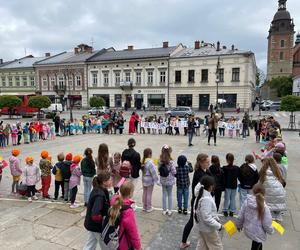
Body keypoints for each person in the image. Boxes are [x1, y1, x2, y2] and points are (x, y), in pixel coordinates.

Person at [180, 153, 211, 249]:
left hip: (199, 201)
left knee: (195, 222)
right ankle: (184, 242)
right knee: (195, 222)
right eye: (207, 162)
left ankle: (185, 242)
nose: (209, 163)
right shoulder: (200, 174)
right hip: (198, 202)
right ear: (201, 163)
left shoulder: (203, 171)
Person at [236, 183, 274, 250]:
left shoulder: (247, 202)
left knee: (255, 245)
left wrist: (239, 225)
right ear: (264, 193)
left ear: (253, 191)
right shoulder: (265, 207)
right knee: (257, 245)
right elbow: (267, 224)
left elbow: (240, 215)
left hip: (249, 229)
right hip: (259, 233)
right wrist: (271, 231)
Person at [83, 171, 112, 250]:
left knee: (90, 245)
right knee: (107, 246)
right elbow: (95, 215)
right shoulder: (99, 195)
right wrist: (104, 221)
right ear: (104, 182)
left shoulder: (100, 189)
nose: (111, 181)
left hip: (91, 225)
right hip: (97, 226)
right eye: (110, 180)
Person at [110, 181, 142, 250]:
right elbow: (133, 231)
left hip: (114, 239)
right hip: (124, 243)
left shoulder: (114, 201)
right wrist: (138, 246)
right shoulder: (128, 211)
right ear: (130, 193)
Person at [194, 176, 223, 250]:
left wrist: (216, 218)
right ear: (210, 186)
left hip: (202, 227)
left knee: (202, 246)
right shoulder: (206, 199)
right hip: (208, 229)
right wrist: (219, 226)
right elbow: (207, 218)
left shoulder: (201, 194)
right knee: (217, 246)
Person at [259, 157, 286, 222]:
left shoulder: (263, 172)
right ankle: (276, 216)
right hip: (280, 195)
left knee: (266, 198)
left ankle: (269, 218)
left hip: (270, 196)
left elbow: (260, 185)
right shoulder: (276, 171)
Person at [121, 138, 141, 204]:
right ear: (134, 144)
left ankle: (124, 202)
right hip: (134, 173)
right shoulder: (136, 154)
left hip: (126, 173)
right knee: (132, 189)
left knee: (126, 188)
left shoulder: (124, 152)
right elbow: (138, 165)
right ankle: (130, 203)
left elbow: (122, 162)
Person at [158, 145, 176, 216]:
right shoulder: (171, 161)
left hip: (163, 180)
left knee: (164, 194)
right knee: (170, 195)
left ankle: (164, 210)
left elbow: (159, 169)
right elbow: (174, 172)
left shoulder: (160, 161)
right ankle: (169, 210)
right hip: (170, 180)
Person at [141, 148, 158, 212]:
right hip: (149, 180)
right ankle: (148, 207)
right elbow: (153, 172)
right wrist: (157, 181)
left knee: (144, 193)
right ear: (149, 154)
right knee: (149, 194)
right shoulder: (150, 162)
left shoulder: (143, 161)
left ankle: (144, 206)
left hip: (144, 179)